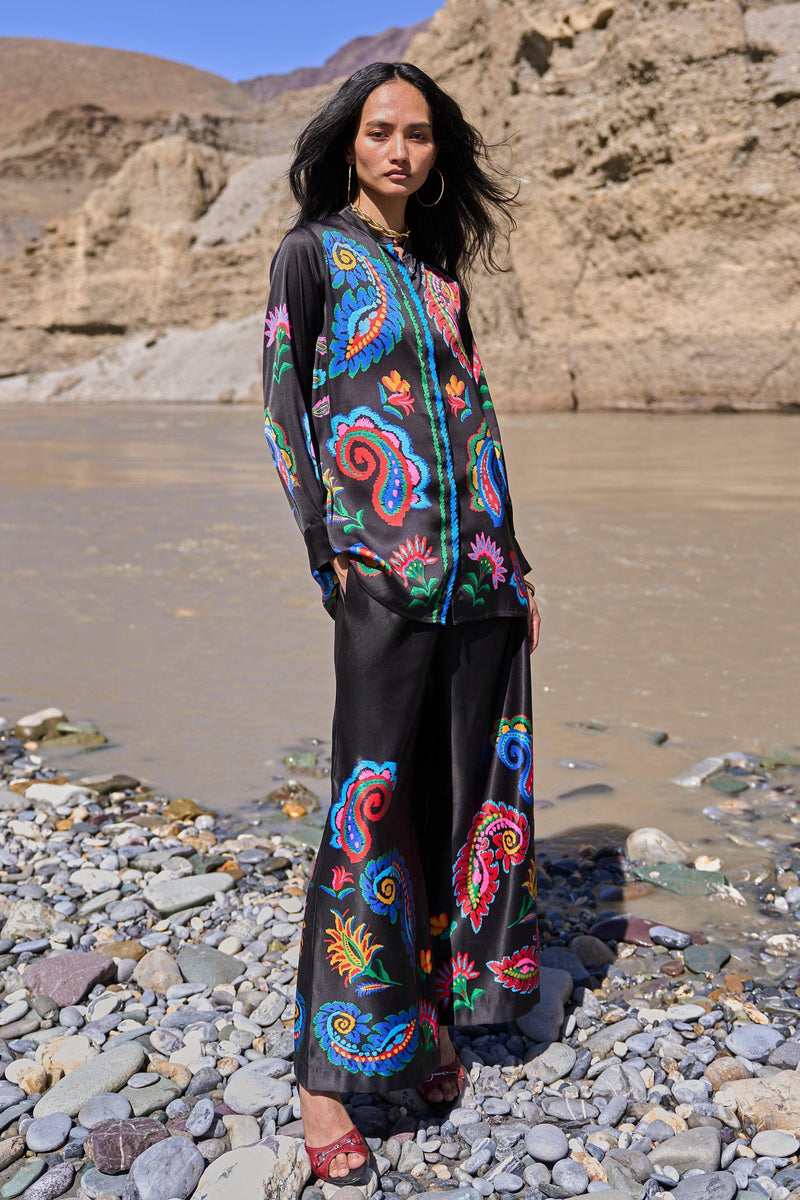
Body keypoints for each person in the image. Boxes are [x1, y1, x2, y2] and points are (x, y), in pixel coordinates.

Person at [262, 60, 541, 1188]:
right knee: (368, 801)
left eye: (418, 135)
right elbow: (283, 404)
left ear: (435, 154)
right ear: (348, 142)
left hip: (481, 580)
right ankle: (328, 1071)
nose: (399, 151)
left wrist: (517, 565)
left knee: (455, 794)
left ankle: (426, 1017)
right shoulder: (311, 254)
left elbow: (477, 424)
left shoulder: (438, 278)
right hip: (384, 575)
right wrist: (330, 553)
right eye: (380, 131)